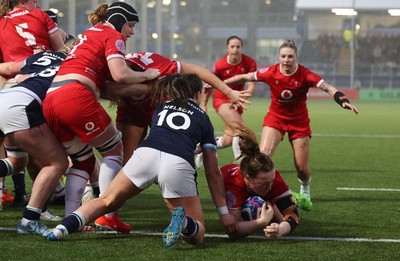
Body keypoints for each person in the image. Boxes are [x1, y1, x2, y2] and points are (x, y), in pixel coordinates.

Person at [43, 73, 237, 248]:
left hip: (146, 154)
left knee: (106, 200)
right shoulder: (203, 118)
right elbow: (212, 172)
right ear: (198, 94)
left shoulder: (161, 108)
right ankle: (184, 222)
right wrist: (223, 213)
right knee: (197, 235)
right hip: (177, 163)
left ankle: (61, 229)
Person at [42, 2, 160, 233]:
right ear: (119, 21)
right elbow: (120, 73)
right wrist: (147, 74)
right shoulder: (112, 34)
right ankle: (107, 213)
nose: (132, 32)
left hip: (52, 99)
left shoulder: (89, 33)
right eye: (131, 25)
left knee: (83, 161)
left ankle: (71, 218)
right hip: (75, 96)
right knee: (116, 151)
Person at [224, 40, 359, 200]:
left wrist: (342, 100)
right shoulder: (271, 72)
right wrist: (218, 84)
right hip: (275, 119)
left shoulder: (306, 75)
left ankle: (305, 186)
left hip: (299, 123)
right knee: (263, 157)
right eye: (283, 56)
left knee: (301, 168)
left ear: (296, 57)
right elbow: (245, 77)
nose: (286, 60)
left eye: (290, 56)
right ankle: (260, 192)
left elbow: (328, 88)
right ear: (279, 57)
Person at [111, 51, 252, 164]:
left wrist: (228, 92)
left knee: (173, 153)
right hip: (132, 111)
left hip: (161, 107)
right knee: (124, 160)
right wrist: (148, 88)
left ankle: (194, 150)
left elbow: (197, 71)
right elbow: (108, 90)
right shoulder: (111, 71)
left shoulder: (159, 67)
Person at [0, 48, 71, 234]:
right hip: (23, 105)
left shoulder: (45, 54)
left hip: (6, 95)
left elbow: (19, 76)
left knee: (17, 162)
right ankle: (29, 221)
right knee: (57, 163)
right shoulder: (76, 62)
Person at [220, 122, 311, 239]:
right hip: (233, 183)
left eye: (271, 181)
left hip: (255, 189)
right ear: (247, 178)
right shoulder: (234, 184)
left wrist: (280, 229)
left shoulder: (272, 179)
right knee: (266, 206)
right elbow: (232, 231)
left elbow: (293, 215)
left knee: (278, 215)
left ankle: (287, 195)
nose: (269, 186)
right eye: (264, 183)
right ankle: (280, 197)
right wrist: (261, 222)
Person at [197, 36, 257, 167]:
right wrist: (204, 104)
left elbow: (252, 85)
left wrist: (245, 95)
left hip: (238, 100)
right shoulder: (219, 65)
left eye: (238, 47)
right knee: (241, 129)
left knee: (227, 140)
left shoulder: (249, 62)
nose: (235, 49)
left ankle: (201, 149)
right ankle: (240, 162)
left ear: (241, 48)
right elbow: (208, 85)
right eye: (232, 47)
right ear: (227, 48)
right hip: (222, 99)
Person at [0, 0, 64, 62]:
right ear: (22, 2)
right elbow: (60, 48)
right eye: (34, 2)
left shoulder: (2, 22)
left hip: (15, 70)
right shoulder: (41, 15)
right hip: (44, 65)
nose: (37, 6)